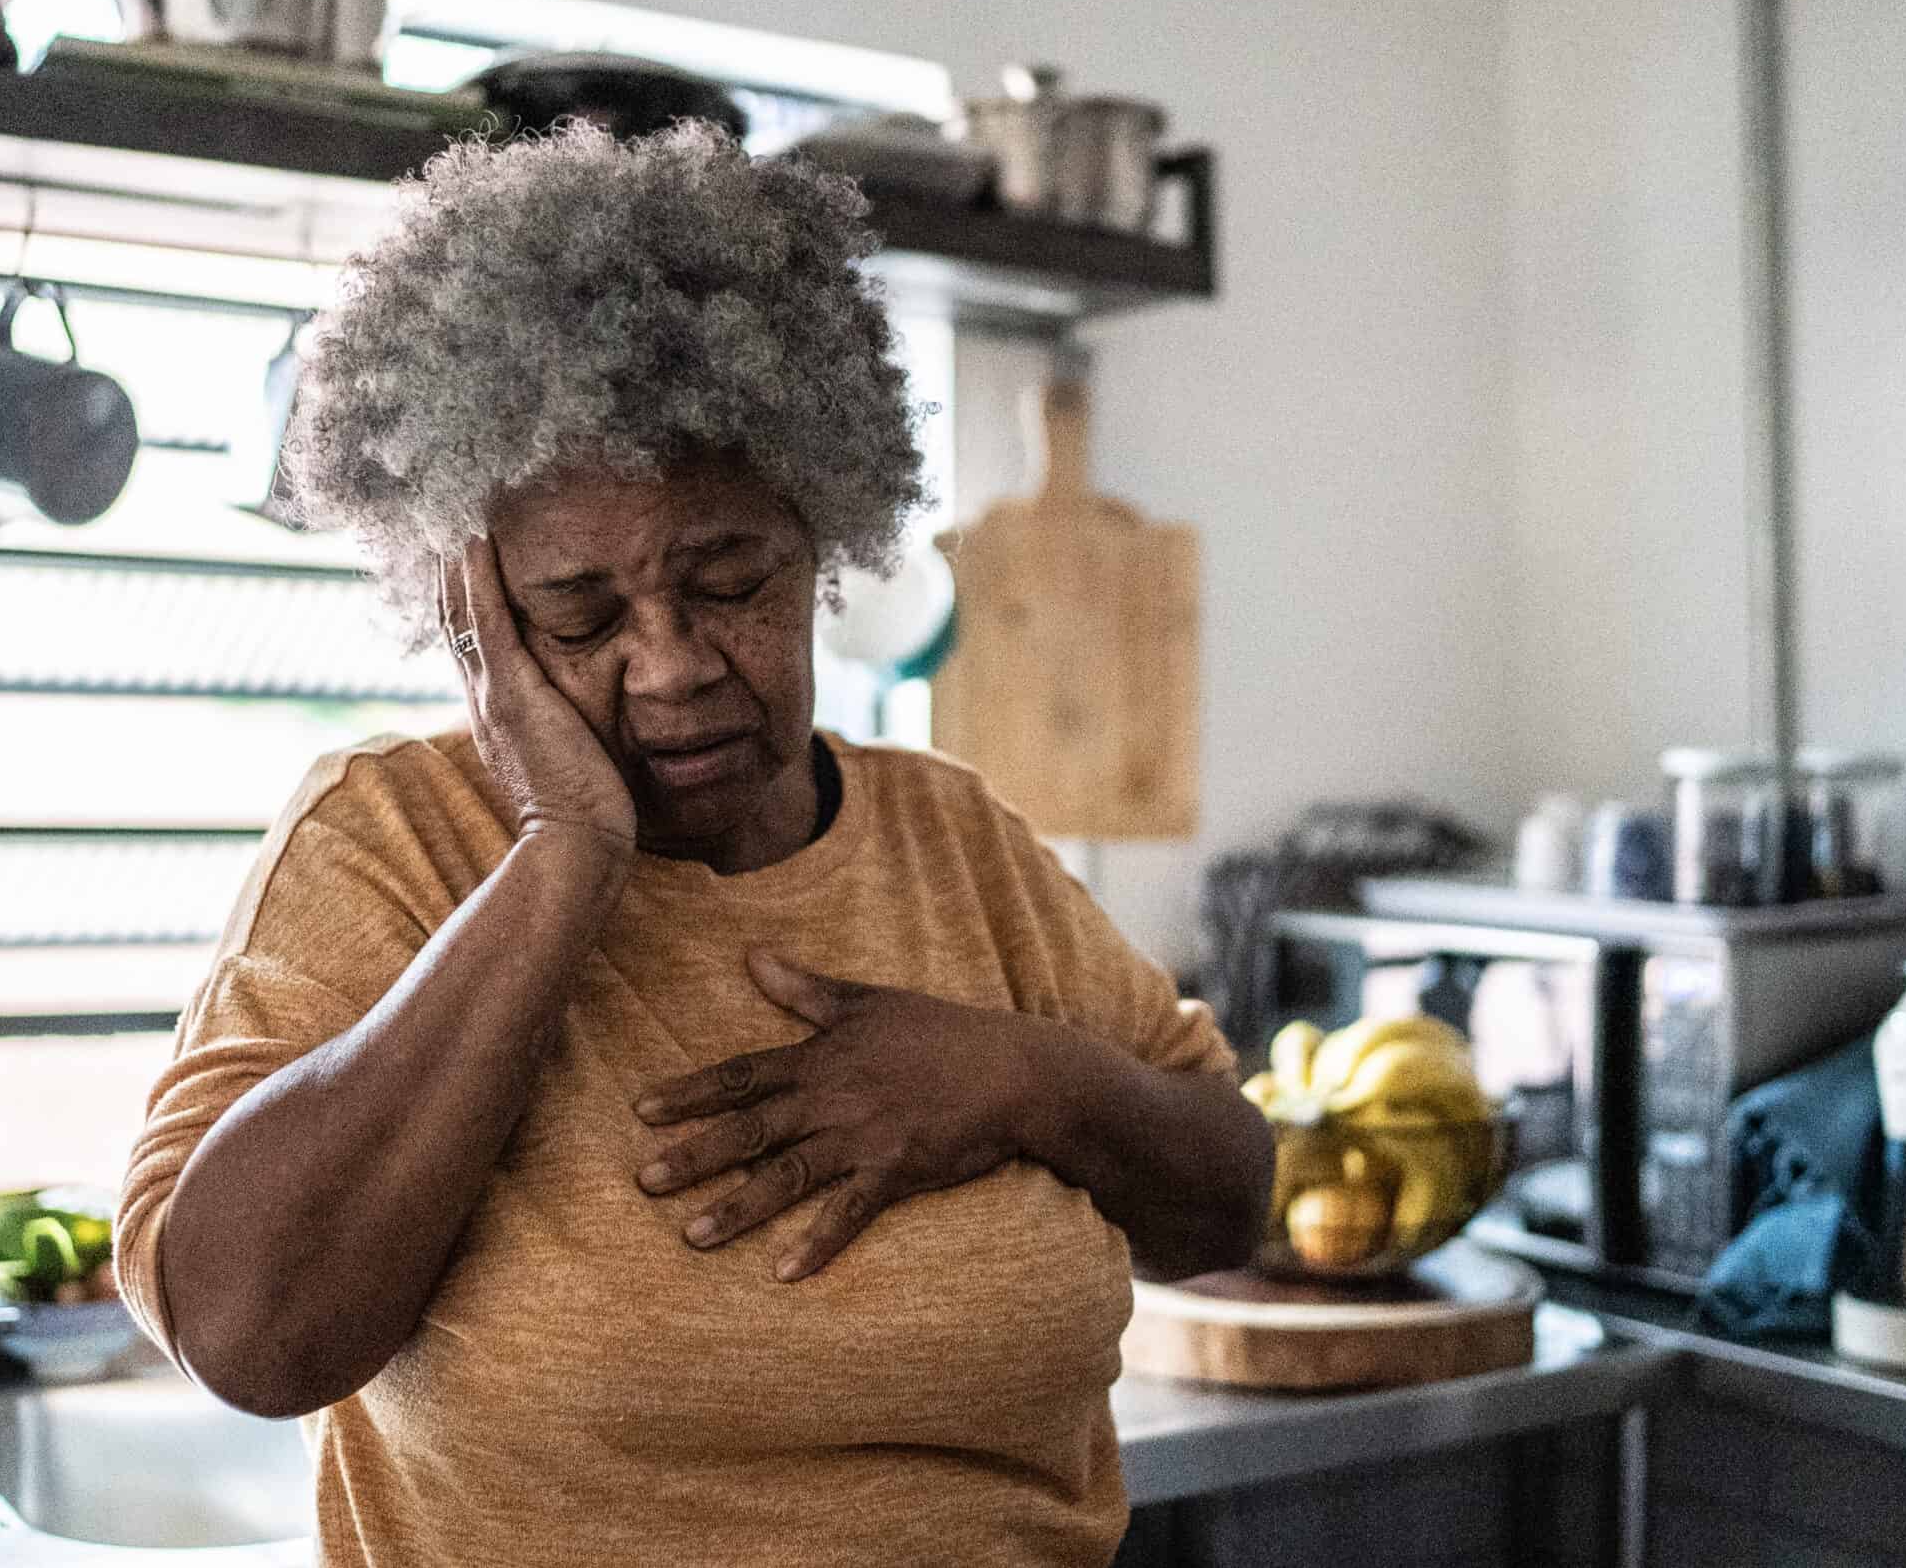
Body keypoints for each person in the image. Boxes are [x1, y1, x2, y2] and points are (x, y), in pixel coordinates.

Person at [112, 121, 1274, 1568]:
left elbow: (1224, 1194)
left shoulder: (955, 839)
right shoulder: (393, 840)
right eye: (580, 615)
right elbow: (250, 1334)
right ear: (471, 607)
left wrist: (1021, 1076)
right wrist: (559, 852)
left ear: (822, 538)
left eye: (730, 579)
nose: (669, 669)